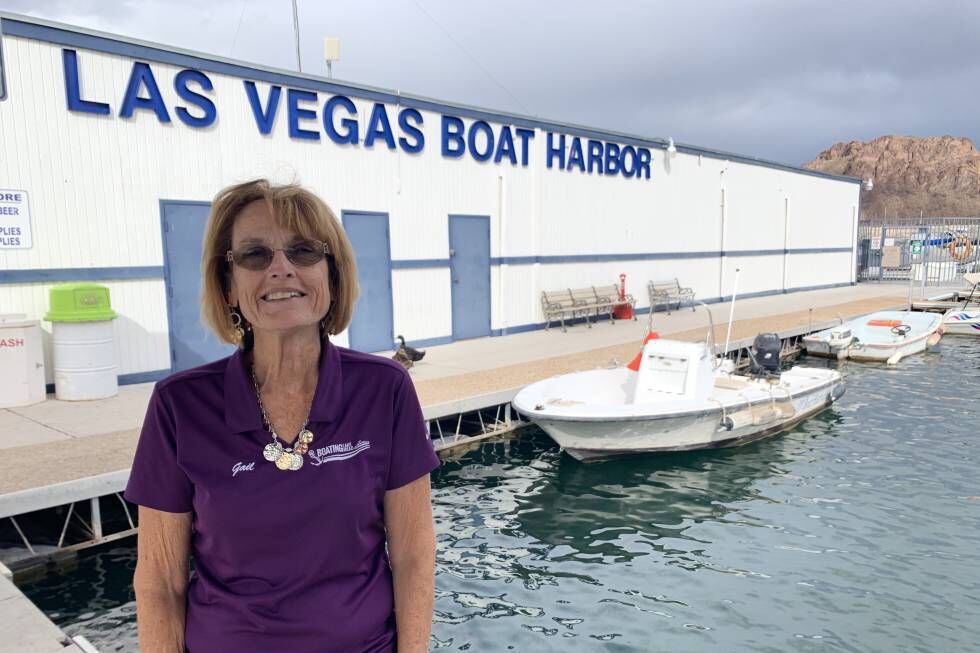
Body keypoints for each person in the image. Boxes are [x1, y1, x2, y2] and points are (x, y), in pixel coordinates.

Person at [124, 179, 440, 652]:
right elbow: (159, 580)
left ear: (332, 276)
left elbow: (414, 554)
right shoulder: (179, 406)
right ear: (228, 286)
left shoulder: (385, 390)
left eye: (304, 252)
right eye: (254, 255)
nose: (280, 269)